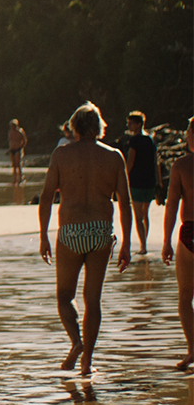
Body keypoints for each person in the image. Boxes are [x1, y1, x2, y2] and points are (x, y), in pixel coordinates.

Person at [36, 103, 133, 378]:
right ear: (99, 127)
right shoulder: (114, 157)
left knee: (65, 296)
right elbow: (124, 203)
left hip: (70, 231)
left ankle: (76, 342)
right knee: (93, 299)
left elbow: (46, 196)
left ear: (74, 127)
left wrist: (43, 235)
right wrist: (126, 242)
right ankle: (87, 362)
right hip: (101, 231)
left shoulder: (62, 154)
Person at [159, 116, 193, 371]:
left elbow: (171, 205)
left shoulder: (182, 165)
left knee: (184, 298)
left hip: (190, 233)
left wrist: (167, 241)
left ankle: (193, 349)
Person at [116, 111, 160, 256]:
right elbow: (156, 161)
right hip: (149, 180)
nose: (129, 126)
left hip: (137, 181)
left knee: (138, 215)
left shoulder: (135, 140)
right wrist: (158, 181)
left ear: (139, 124)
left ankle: (143, 246)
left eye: (131, 123)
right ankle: (144, 242)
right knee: (145, 214)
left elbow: (131, 161)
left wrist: (124, 176)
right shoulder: (150, 139)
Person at [8, 119, 28, 186]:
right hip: (12, 149)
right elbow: (10, 140)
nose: (12, 127)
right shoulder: (10, 132)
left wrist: (21, 147)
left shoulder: (20, 131)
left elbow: (25, 140)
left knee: (18, 164)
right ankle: (15, 179)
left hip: (18, 149)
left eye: (13, 125)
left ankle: (20, 179)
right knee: (14, 165)